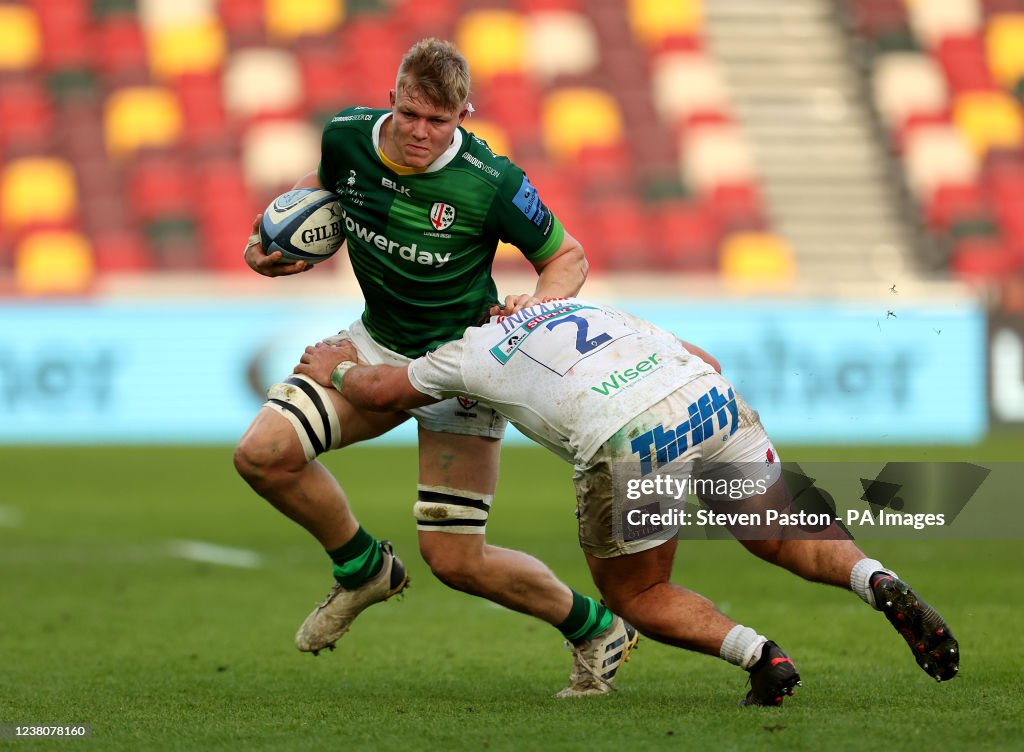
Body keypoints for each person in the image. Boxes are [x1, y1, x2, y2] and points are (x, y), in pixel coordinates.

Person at [293, 297, 960, 705]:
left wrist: (337, 370)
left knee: (638, 595)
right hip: (709, 398)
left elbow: (381, 391)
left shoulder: (463, 354)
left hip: (632, 436)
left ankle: (761, 657)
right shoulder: (582, 308)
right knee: (783, 533)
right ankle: (877, 579)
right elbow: (705, 358)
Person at [233, 39, 636, 697]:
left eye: (439, 122)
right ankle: (363, 569)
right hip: (375, 345)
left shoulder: (490, 180)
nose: (421, 133)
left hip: (460, 369)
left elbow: (568, 258)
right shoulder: (346, 136)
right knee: (262, 454)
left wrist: (538, 304)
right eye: (411, 114)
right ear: (393, 98)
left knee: (456, 561)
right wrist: (274, 233)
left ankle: (596, 628)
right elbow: (323, 189)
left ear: (463, 115)